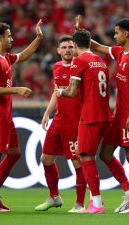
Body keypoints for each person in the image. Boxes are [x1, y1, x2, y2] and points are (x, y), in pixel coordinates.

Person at [0, 20, 43, 212]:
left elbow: (24, 55)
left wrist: (39, 38)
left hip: (5, 114)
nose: (12, 39)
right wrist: (16, 89)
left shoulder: (4, 58)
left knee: (15, 153)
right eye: (9, 36)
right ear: (0, 38)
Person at [90, 18, 129, 214]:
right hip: (118, 115)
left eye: (117, 32)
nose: (114, 36)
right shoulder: (119, 52)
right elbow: (97, 46)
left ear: (127, 34)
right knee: (105, 153)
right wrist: (79, 35)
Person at [56, 28, 111, 214]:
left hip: (90, 116)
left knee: (85, 156)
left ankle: (96, 203)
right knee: (99, 156)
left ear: (75, 44)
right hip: (105, 115)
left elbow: (71, 92)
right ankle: (126, 191)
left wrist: (60, 92)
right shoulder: (101, 61)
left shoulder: (79, 61)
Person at [34, 35, 87, 213]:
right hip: (59, 119)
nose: (67, 50)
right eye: (64, 47)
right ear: (58, 50)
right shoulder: (56, 67)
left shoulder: (80, 65)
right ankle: (54, 197)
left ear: (75, 48)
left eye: (70, 47)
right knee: (45, 158)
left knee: (77, 162)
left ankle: (80, 204)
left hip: (75, 122)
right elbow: (57, 92)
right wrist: (48, 113)